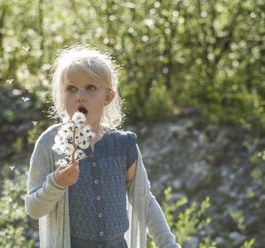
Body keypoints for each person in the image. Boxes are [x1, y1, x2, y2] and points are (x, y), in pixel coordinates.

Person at [25, 45, 180, 248]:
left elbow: (144, 202)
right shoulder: (51, 143)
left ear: (108, 97)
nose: (80, 96)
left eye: (90, 87)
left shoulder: (123, 145)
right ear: (62, 97)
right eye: (71, 88)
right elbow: (33, 209)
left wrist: (168, 244)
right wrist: (56, 183)